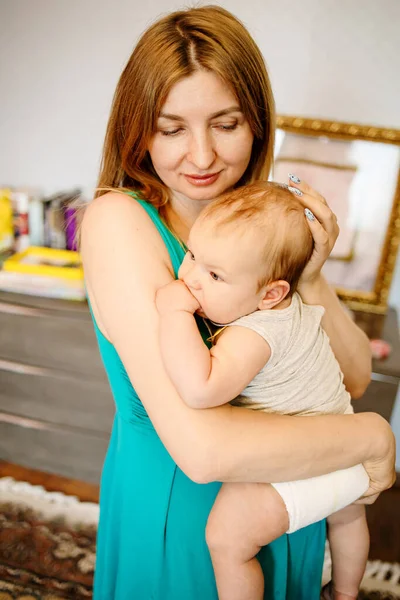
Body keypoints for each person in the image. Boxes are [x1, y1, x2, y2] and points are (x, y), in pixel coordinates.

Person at [80, 6, 396, 600]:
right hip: (188, 515)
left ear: (256, 123)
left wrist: (304, 277)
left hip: (282, 500)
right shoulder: (120, 222)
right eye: (172, 129)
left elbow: (350, 377)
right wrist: (373, 439)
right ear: (137, 129)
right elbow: (202, 452)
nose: (201, 157)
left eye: (225, 124)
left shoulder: (264, 224)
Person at [156, 181, 371, 600]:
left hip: (307, 461)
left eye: (215, 275)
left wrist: (174, 312)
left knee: (226, 539)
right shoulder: (295, 310)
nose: (192, 278)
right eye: (194, 256)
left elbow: (201, 389)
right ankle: (345, 593)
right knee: (347, 519)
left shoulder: (253, 334)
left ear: (270, 294)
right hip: (347, 452)